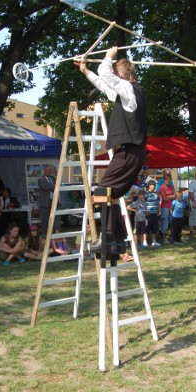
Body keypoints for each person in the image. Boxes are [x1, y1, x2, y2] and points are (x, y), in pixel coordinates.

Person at [76, 46, 148, 256]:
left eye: (118, 73)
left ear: (125, 75)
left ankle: (107, 240)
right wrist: (85, 71)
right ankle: (117, 244)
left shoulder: (128, 89)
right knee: (111, 195)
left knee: (102, 191)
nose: (115, 76)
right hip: (131, 152)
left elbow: (105, 73)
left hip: (129, 151)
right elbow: (103, 82)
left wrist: (108, 56)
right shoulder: (125, 93)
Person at [37, 165, 59, 237]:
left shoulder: (53, 178)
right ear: (44, 171)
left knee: (53, 218)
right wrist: (52, 187)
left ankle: (52, 233)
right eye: (47, 170)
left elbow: (58, 185)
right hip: (44, 203)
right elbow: (44, 187)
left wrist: (50, 189)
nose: (48, 172)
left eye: (50, 171)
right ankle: (44, 234)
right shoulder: (40, 179)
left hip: (53, 201)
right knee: (44, 219)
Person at [158, 172, 176, 244]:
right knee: (165, 222)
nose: (168, 181)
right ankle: (164, 238)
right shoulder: (162, 187)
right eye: (166, 179)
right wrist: (171, 196)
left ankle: (172, 237)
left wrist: (168, 197)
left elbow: (175, 196)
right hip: (164, 207)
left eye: (169, 179)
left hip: (171, 206)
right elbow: (164, 199)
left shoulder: (171, 187)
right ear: (164, 180)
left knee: (171, 221)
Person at [145, 181, 161, 247]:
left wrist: (159, 211)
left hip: (155, 213)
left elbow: (158, 203)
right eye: (152, 185)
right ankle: (145, 242)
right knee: (146, 228)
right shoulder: (145, 194)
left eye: (154, 185)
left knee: (154, 228)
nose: (153, 186)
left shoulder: (156, 194)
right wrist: (145, 211)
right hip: (147, 214)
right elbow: (142, 203)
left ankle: (153, 241)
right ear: (148, 186)